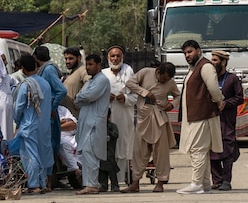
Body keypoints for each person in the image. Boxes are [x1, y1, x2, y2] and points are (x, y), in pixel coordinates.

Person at [123, 61, 180, 193]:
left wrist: (171, 105)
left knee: (161, 153)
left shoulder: (170, 82)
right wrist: (145, 92)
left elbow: (178, 95)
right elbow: (130, 83)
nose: (164, 81)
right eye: (163, 78)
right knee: (139, 152)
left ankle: (160, 182)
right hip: (144, 116)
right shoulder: (145, 72)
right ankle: (135, 183)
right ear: (158, 72)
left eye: (167, 80)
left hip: (159, 117)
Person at [177, 40, 224, 195]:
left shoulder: (205, 66)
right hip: (195, 115)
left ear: (198, 51)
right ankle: (204, 184)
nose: (187, 55)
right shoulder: (195, 68)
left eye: (189, 52)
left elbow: (213, 87)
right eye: (185, 53)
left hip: (202, 115)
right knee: (201, 150)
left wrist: (219, 101)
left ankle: (196, 183)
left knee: (198, 149)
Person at [13, 54, 53, 194]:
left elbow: (19, 107)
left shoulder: (26, 85)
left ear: (22, 68)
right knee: (41, 154)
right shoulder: (45, 84)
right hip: (44, 125)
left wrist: (17, 121)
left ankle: (34, 184)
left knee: (31, 155)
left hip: (29, 124)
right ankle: (42, 182)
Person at [74, 53, 111, 195]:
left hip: (94, 122)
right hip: (87, 121)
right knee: (86, 154)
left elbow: (87, 96)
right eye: (87, 65)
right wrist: (81, 97)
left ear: (99, 65)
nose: (88, 68)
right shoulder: (90, 81)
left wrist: (81, 97)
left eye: (91, 64)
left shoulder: (102, 80)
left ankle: (92, 185)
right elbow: (79, 97)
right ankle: (89, 184)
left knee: (91, 153)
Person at [209, 50, 244, 192]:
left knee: (228, 150)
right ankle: (216, 180)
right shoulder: (209, 79)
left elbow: (240, 98)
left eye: (215, 60)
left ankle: (226, 181)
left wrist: (226, 103)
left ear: (223, 62)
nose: (212, 63)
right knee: (212, 150)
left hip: (227, 120)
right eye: (211, 60)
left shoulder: (232, 79)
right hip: (212, 119)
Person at [102, 45, 136, 189]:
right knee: (106, 148)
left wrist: (126, 98)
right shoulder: (103, 74)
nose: (115, 59)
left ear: (122, 57)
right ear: (108, 58)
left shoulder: (129, 72)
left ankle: (121, 180)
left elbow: (136, 95)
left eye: (118, 56)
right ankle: (105, 181)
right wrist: (105, 97)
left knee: (123, 145)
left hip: (123, 115)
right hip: (107, 117)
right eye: (112, 56)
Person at [33, 44, 67, 181]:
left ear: (36, 57)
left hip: (49, 113)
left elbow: (62, 90)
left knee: (50, 144)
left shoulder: (48, 70)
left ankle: (50, 179)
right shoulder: (45, 69)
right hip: (46, 112)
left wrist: (52, 107)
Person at [62, 47, 90, 117]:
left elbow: (90, 82)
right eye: (66, 59)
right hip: (67, 115)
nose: (67, 61)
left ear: (79, 58)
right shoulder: (72, 72)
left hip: (76, 116)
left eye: (71, 58)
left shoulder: (83, 70)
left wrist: (79, 97)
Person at [58, 106, 80, 188]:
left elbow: (73, 124)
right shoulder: (45, 109)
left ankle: (81, 169)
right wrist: (64, 122)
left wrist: (58, 125)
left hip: (72, 135)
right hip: (59, 136)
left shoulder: (63, 109)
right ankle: (75, 169)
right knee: (63, 144)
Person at [97, 110, 119, 192]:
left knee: (112, 169)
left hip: (110, 151)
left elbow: (115, 135)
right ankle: (103, 185)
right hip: (101, 151)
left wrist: (107, 132)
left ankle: (115, 185)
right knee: (102, 169)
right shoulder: (98, 126)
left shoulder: (112, 126)